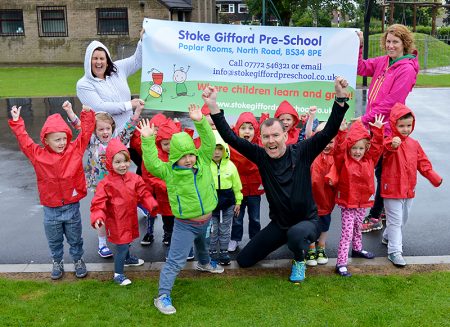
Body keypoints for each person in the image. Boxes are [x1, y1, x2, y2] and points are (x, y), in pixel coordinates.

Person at [207, 77, 350, 283]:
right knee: (245, 260)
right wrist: (213, 105)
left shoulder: (302, 151)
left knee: (296, 234)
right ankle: (290, 240)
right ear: (261, 139)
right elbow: (231, 138)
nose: (271, 141)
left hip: (307, 222)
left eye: (275, 135)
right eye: (266, 137)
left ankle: (299, 261)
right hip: (280, 225)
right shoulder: (261, 156)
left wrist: (340, 98)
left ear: (285, 134)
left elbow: (329, 131)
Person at [139, 104, 224, 315]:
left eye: (190, 155)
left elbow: (210, 140)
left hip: (205, 220)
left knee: (203, 247)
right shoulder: (169, 171)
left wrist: (200, 121)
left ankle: (204, 264)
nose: (188, 159)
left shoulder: (203, 160)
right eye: (182, 156)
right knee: (175, 261)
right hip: (185, 225)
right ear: (174, 157)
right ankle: (163, 295)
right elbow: (150, 163)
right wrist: (148, 140)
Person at [8, 102, 95, 280]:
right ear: (46, 140)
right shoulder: (38, 155)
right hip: (51, 209)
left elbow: (86, 134)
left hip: (72, 207)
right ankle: (57, 261)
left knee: (75, 239)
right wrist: (17, 122)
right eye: (57, 139)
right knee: (54, 240)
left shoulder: (74, 150)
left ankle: (78, 260)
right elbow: (25, 142)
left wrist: (87, 114)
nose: (62, 142)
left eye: (64, 138)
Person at [357, 24, 419, 232]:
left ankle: (375, 216)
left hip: (388, 128)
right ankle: (382, 209)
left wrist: (365, 120)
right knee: (379, 170)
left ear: (404, 44)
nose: (390, 46)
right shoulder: (384, 62)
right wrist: (359, 46)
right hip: (376, 125)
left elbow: (392, 102)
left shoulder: (406, 69)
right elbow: (361, 68)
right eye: (388, 41)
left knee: (383, 172)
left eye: (395, 42)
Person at [64, 102, 143, 258]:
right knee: (101, 214)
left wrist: (138, 110)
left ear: (112, 128)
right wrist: (70, 111)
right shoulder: (91, 141)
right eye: (100, 129)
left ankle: (122, 240)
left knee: (120, 212)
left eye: (108, 128)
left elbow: (130, 125)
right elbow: (80, 127)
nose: (105, 132)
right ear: (95, 130)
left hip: (119, 186)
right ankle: (102, 244)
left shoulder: (118, 139)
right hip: (99, 186)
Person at [380, 103, 442, 267]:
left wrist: (433, 176)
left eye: (408, 125)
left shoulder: (414, 144)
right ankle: (394, 251)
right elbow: (385, 149)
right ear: (394, 124)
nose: (405, 129)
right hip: (392, 189)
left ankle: (387, 236)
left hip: (408, 190)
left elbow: (423, 163)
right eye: (401, 126)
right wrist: (393, 145)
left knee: (402, 220)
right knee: (395, 220)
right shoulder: (390, 141)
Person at [90, 139, 157, 285]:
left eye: (125, 161)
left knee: (127, 242)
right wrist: (98, 216)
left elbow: (143, 193)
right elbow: (98, 203)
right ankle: (118, 274)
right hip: (116, 221)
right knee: (121, 246)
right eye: (118, 162)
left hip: (130, 217)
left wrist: (151, 204)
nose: (123, 165)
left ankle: (128, 259)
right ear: (110, 162)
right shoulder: (106, 183)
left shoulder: (134, 178)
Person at [332, 117, 385, 277]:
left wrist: (377, 131)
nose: (357, 152)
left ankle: (357, 249)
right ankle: (341, 262)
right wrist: (341, 132)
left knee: (357, 227)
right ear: (349, 148)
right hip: (348, 202)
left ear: (366, 149)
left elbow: (377, 148)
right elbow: (339, 150)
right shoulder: (344, 160)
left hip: (362, 201)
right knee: (347, 232)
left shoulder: (370, 159)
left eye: (361, 148)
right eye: (354, 148)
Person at [228, 112, 264, 252]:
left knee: (255, 218)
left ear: (255, 131)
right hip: (239, 191)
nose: (247, 131)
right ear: (237, 130)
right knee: (237, 217)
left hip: (255, 190)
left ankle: (255, 240)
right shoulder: (233, 146)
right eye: (243, 128)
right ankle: (235, 239)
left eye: (250, 128)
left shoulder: (260, 146)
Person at [305, 121, 338, 266]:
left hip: (326, 199)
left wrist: (333, 179)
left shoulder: (336, 157)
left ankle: (321, 247)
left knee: (324, 224)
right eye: (322, 139)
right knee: (311, 223)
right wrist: (311, 118)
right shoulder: (311, 153)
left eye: (330, 141)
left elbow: (338, 173)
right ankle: (311, 247)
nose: (326, 144)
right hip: (310, 199)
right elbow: (307, 136)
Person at [209, 130, 243, 265]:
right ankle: (211, 253)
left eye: (220, 149)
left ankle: (223, 252)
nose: (217, 152)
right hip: (210, 206)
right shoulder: (205, 166)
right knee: (212, 230)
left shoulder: (231, 166)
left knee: (224, 230)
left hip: (228, 205)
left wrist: (238, 201)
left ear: (225, 149)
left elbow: (237, 186)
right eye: (214, 148)